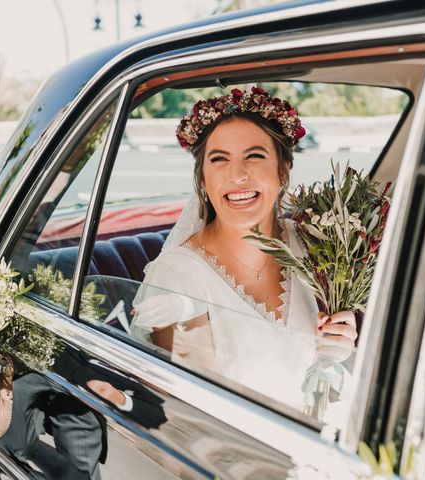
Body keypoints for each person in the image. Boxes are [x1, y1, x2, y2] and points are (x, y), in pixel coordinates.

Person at [132, 87, 358, 416]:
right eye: (219, 159)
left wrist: (336, 349)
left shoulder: (315, 246)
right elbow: (198, 417)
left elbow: (330, 384)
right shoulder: (178, 278)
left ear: (283, 171)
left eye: (254, 156)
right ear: (203, 180)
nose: (236, 175)